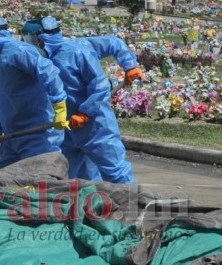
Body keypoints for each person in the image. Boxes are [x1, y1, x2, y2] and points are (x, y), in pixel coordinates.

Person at [34, 16, 141, 184]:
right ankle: (86, 206)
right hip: (68, 126)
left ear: (42, 39)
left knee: (114, 169)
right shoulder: (42, 60)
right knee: (73, 174)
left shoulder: (78, 49)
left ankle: (132, 204)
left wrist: (130, 65)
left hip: (95, 124)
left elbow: (99, 85)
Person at [0, 13, 69, 171]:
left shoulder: (16, 51)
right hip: (13, 135)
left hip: (37, 134)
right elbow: (7, 101)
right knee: (2, 180)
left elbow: (49, 71)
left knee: (37, 182)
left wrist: (59, 105)